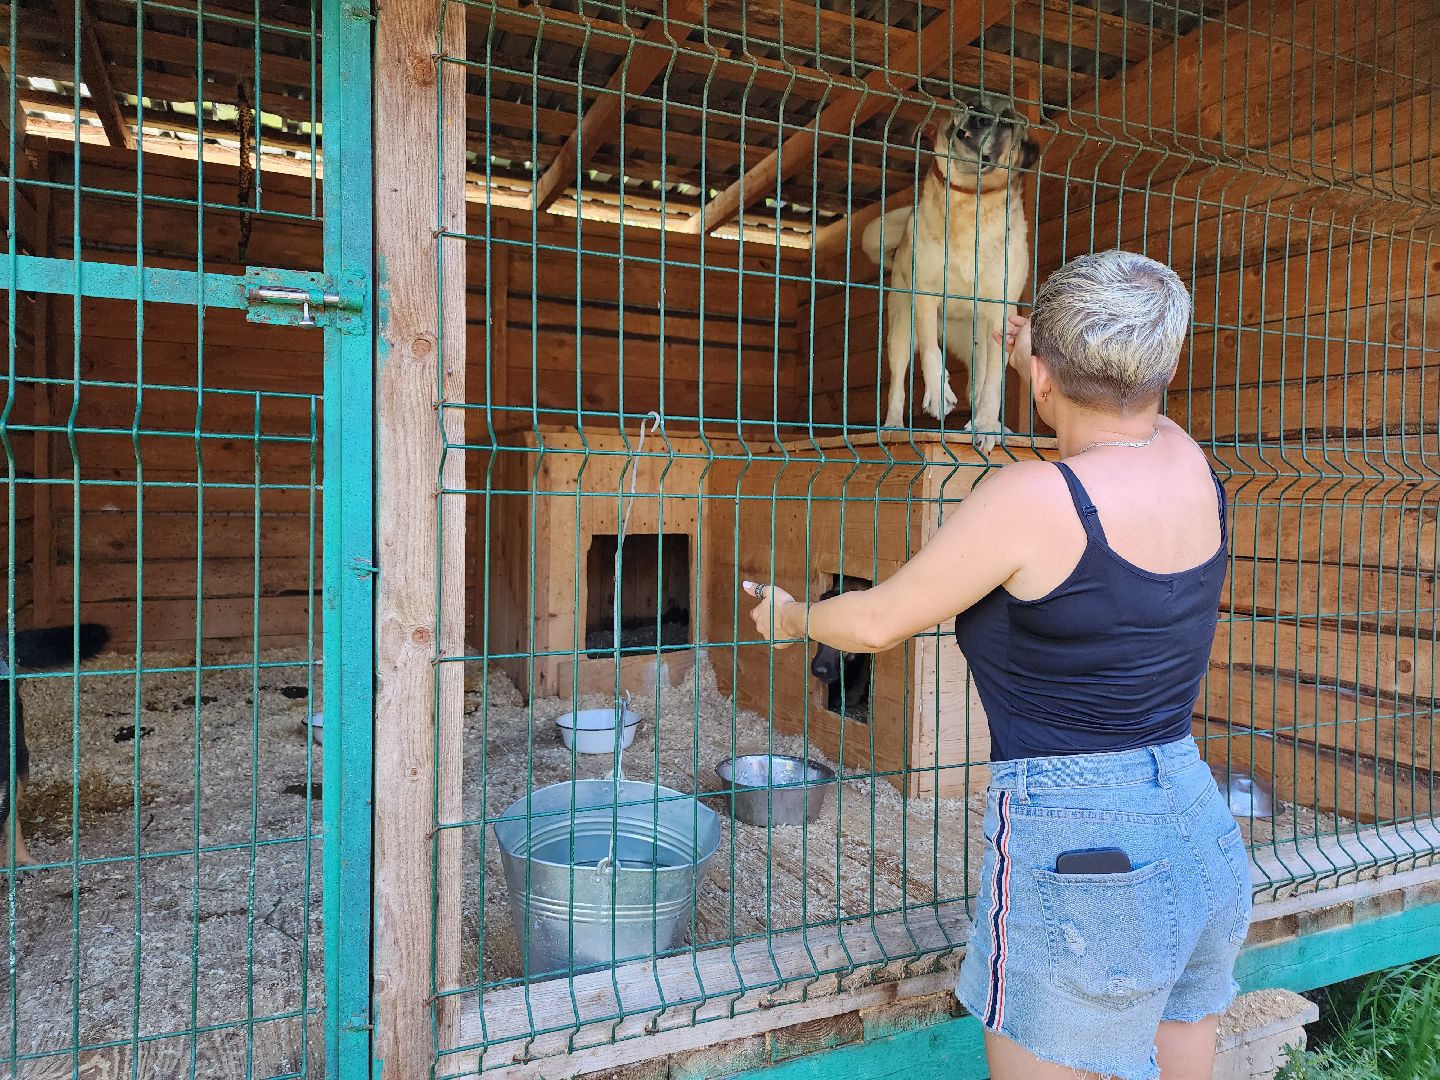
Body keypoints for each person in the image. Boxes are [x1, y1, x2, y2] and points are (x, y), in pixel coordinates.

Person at [742, 250, 1250, 1080]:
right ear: (1161, 368)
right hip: (1196, 823)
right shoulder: (1186, 459)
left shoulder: (1034, 500)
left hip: (1080, 848)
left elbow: (873, 622)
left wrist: (793, 617)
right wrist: (1042, 357)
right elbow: (1113, 404)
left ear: (1042, 376)